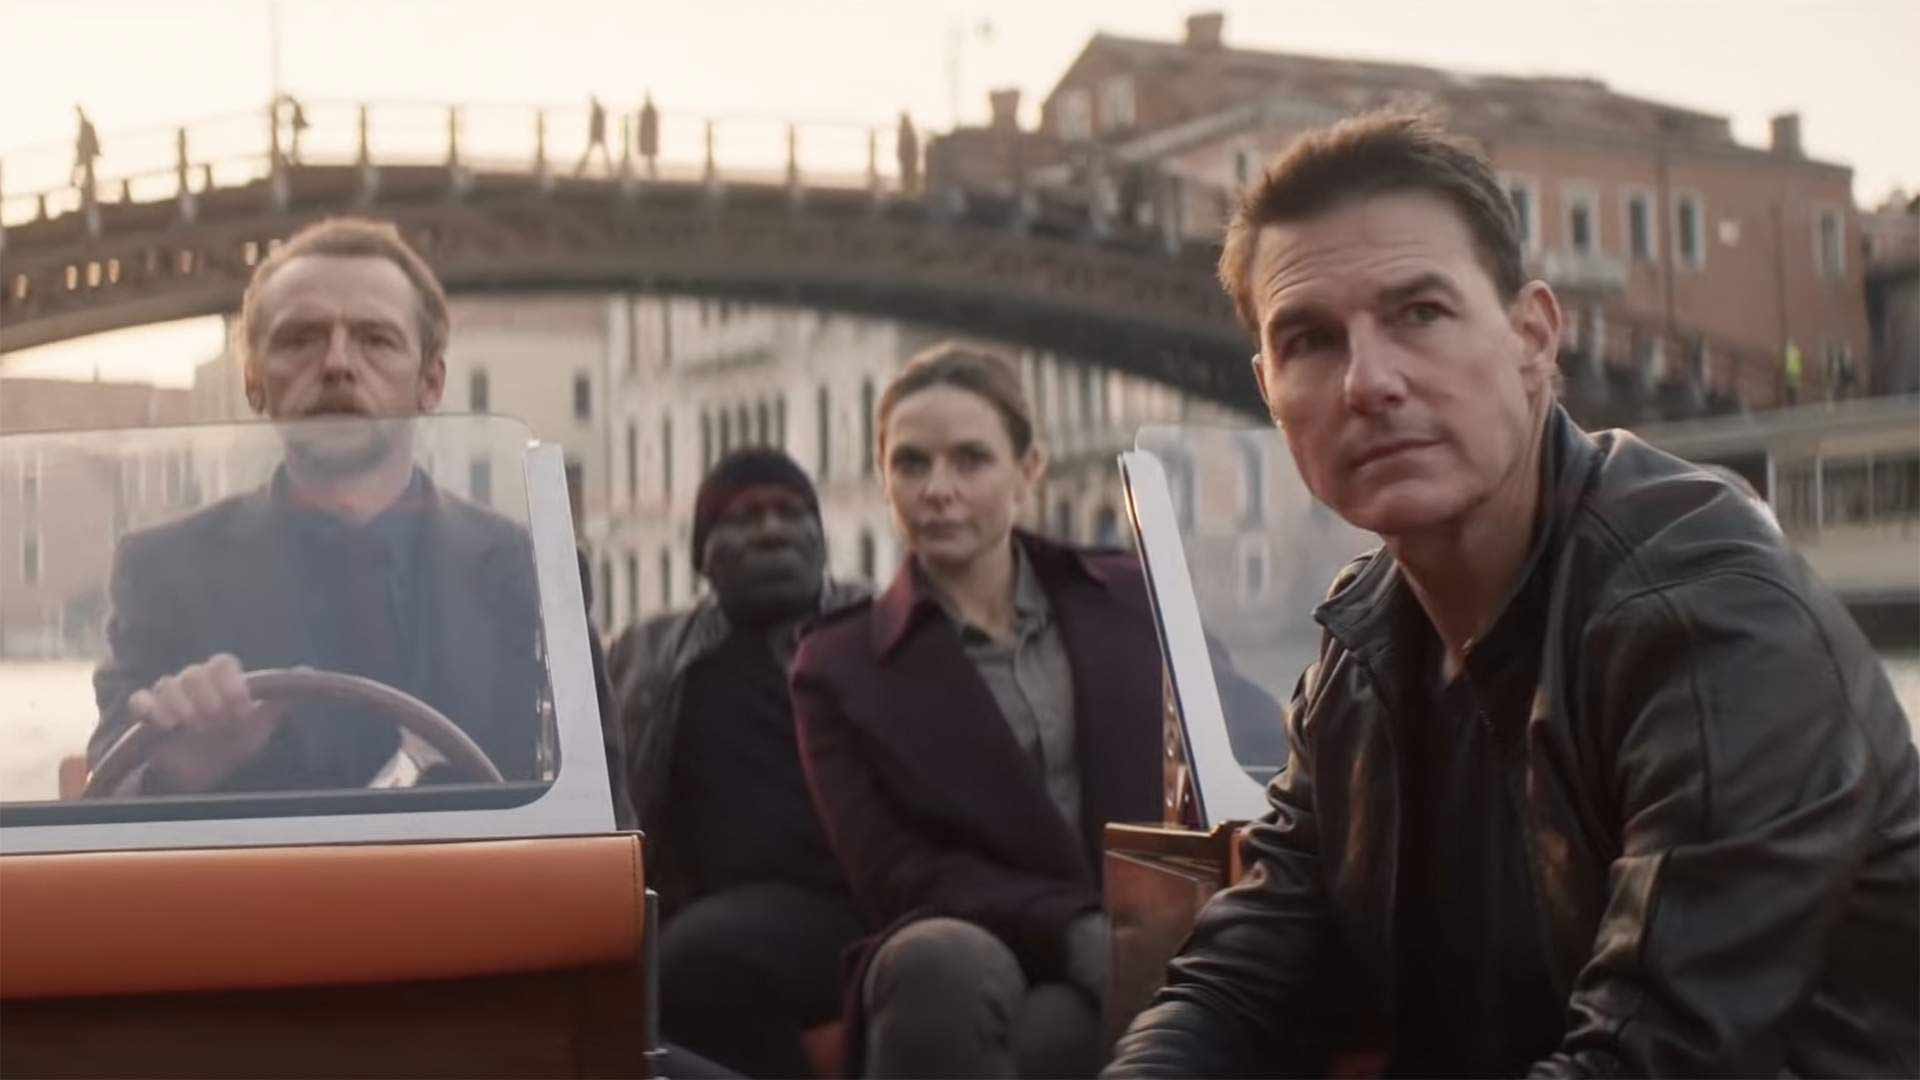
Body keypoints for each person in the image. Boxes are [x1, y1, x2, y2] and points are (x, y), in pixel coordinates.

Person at [1105, 108, 1919, 1077]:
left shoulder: (1707, 613)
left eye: (1420, 313)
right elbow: (1241, 978)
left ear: (1534, 335)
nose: (1368, 382)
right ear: (1268, 390)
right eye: (1310, 339)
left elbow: (1651, 1056)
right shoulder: (1362, 644)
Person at [88, 216, 632, 823]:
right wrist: (177, 769)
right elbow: (102, 801)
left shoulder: (531, 576)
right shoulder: (162, 572)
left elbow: (606, 820)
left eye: (376, 339)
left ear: (430, 383)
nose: (337, 363)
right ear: (254, 382)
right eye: (301, 339)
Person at [790, 342, 1163, 1078]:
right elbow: (895, 872)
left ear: (1029, 469)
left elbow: (1229, 751)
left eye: (971, 460)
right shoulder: (839, 667)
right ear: (883, 478)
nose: (938, 489)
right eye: (911, 464)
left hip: (1137, 927)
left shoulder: (1128, 600)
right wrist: (1074, 930)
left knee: (1058, 1033)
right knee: (936, 963)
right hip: (970, 942)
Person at [608, 447, 869, 1079]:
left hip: (851, 903)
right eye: (744, 517)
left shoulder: (873, 630)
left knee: (687, 962)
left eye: (790, 512)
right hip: (698, 905)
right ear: (704, 554)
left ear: (820, 538)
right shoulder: (647, 654)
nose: (771, 530)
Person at [575, 95, 612, 177]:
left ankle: (579, 170)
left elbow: (597, 124)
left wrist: (597, 133)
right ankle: (610, 171)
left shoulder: (597, 110)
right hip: (598, 135)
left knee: (589, 154)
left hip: (597, 136)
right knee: (602, 154)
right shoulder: (598, 110)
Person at [72, 104, 101, 195]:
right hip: (86, 152)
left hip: (86, 152)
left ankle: (82, 183)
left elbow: (87, 139)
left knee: (84, 169)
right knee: (86, 169)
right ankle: (86, 184)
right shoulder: (85, 124)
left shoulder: (85, 125)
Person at [894, 111, 918, 197]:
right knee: (906, 177)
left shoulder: (908, 131)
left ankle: (909, 193)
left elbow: (911, 148)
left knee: (908, 177)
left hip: (908, 161)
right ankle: (908, 193)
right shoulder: (905, 130)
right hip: (906, 160)